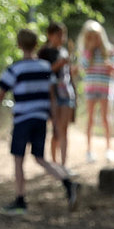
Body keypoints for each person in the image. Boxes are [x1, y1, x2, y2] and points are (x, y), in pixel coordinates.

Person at [1, 27, 78, 214]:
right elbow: (52, 98)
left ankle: (20, 201)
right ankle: (68, 184)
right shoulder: (45, 68)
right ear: (36, 44)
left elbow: (1, 92)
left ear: (19, 45)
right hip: (41, 118)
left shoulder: (15, 69)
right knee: (40, 158)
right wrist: (54, 121)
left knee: (18, 159)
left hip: (22, 119)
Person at [77, 20, 114, 163]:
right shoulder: (86, 51)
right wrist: (88, 52)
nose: (94, 40)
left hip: (105, 88)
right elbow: (83, 66)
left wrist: (112, 68)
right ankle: (89, 150)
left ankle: (109, 149)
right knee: (90, 119)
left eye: (96, 36)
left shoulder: (109, 50)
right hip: (91, 88)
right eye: (90, 37)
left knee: (106, 118)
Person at [38, 22, 76, 168]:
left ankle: (63, 165)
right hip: (52, 95)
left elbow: (69, 75)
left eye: (63, 34)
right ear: (50, 35)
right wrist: (59, 64)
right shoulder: (43, 53)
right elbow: (43, 73)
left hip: (66, 93)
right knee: (56, 130)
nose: (62, 37)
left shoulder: (64, 52)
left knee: (64, 129)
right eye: (58, 34)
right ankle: (54, 163)